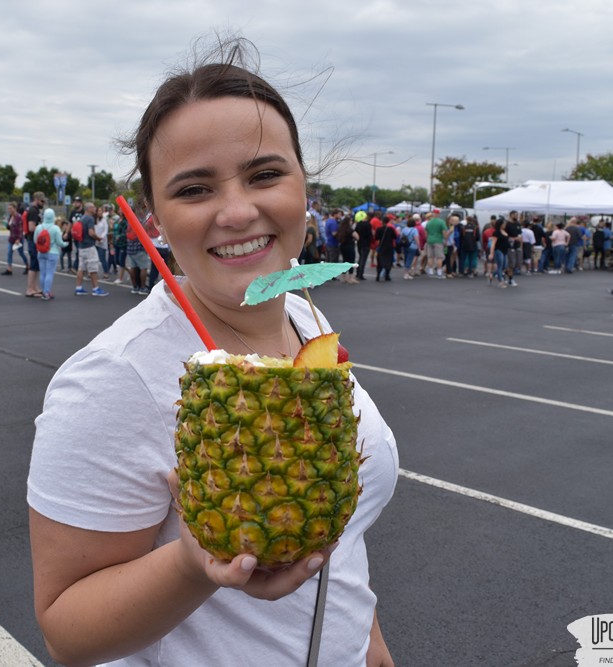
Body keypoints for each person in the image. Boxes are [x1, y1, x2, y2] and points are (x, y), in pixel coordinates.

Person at [27, 39, 397, 667]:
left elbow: (341, 535)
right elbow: (66, 631)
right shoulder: (112, 377)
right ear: (157, 218)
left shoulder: (303, 312)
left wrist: (371, 647)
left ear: (304, 184)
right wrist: (192, 564)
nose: (237, 211)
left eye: (265, 175)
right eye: (195, 189)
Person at [73, 202, 111, 297]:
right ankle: (95, 288)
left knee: (81, 268)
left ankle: (78, 288)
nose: (95, 209)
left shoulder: (82, 218)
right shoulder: (90, 218)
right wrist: (98, 239)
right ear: (89, 208)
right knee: (93, 267)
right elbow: (91, 233)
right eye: (93, 207)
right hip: (89, 246)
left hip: (81, 246)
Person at [34, 209, 67, 300]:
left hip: (41, 252)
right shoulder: (55, 228)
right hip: (53, 252)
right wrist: (65, 244)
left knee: (42, 273)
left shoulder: (39, 227)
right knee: (49, 273)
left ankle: (43, 291)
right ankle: (46, 292)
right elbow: (60, 242)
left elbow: (35, 240)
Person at [24, 192, 45, 297]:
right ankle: (30, 288)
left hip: (34, 240)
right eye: (42, 201)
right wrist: (43, 228)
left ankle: (34, 286)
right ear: (36, 199)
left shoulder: (34, 210)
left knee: (36, 265)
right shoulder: (33, 211)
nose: (43, 203)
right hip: (33, 240)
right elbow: (31, 227)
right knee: (33, 264)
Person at [3, 201, 28, 275]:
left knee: (21, 253)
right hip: (11, 238)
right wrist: (7, 225)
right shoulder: (10, 217)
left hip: (17, 239)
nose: (9, 210)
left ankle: (27, 265)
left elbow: (20, 229)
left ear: (14, 208)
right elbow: (10, 227)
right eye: (8, 209)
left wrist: (18, 239)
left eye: (10, 208)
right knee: (9, 253)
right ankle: (9, 268)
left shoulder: (18, 217)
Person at [487, 217, 512, 287]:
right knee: (500, 266)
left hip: (505, 250)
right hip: (498, 250)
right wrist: (491, 253)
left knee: (504, 266)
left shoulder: (505, 232)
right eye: (504, 224)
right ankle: (501, 281)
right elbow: (493, 243)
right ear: (500, 224)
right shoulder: (496, 232)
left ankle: (492, 274)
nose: (505, 225)